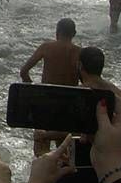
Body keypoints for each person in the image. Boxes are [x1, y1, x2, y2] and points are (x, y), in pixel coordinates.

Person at [19, 18, 81, 154]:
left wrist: (33, 92)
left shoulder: (46, 47)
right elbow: (86, 81)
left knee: (41, 147)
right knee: (64, 148)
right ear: (74, 33)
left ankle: (42, 172)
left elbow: (24, 72)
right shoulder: (79, 53)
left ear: (57, 32)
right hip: (68, 103)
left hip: (46, 101)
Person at [77, 46, 121, 129]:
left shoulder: (76, 92)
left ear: (80, 65)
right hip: (110, 138)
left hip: (83, 140)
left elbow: (60, 129)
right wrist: (116, 132)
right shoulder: (113, 90)